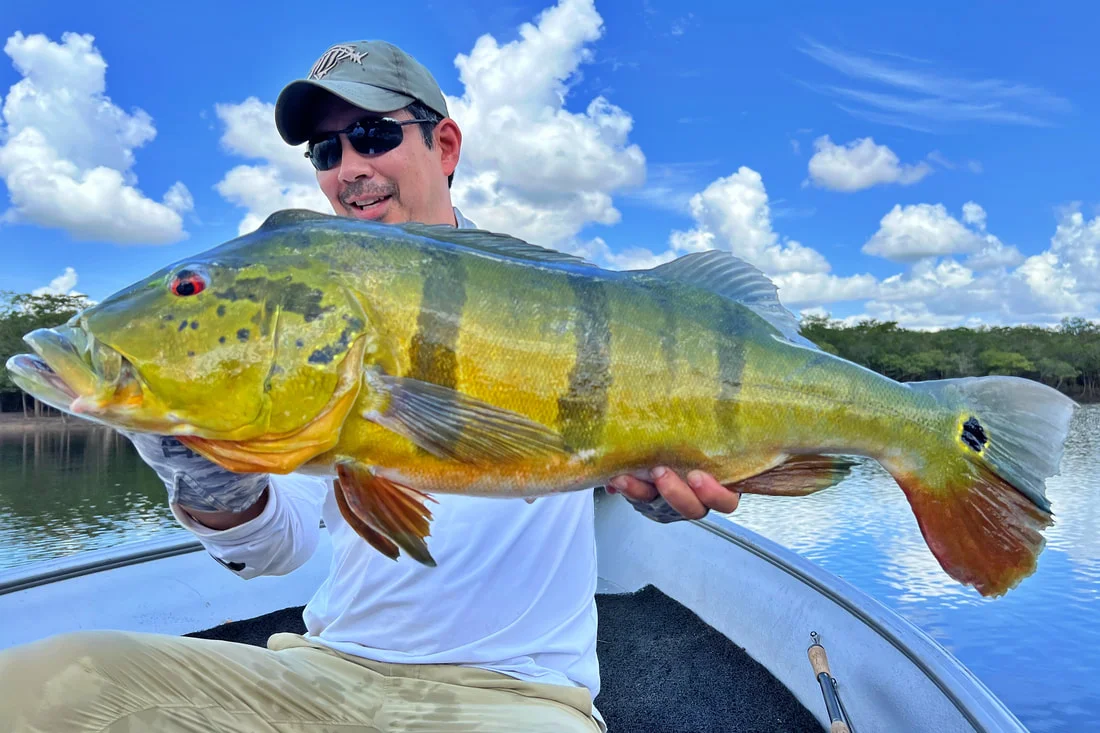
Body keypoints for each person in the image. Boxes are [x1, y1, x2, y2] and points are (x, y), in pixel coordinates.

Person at [0, 40, 741, 732]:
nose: (349, 165)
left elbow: (618, 464)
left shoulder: (557, 298)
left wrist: (662, 493)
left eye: (374, 136)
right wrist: (205, 477)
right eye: (327, 149)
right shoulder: (309, 326)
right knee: (36, 688)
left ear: (443, 146)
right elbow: (275, 549)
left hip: (517, 693)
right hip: (326, 669)